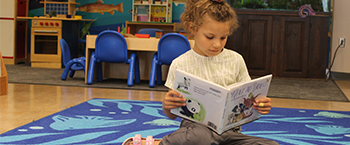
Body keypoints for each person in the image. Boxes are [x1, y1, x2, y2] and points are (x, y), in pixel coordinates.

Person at [160, 0, 279, 144]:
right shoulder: (180, 64)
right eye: (210, 37)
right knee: (200, 138)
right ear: (192, 28)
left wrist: (260, 104)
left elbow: (248, 98)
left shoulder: (236, 60)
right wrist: (167, 105)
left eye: (223, 37)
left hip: (230, 132)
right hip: (196, 130)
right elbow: (172, 115)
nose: (217, 44)